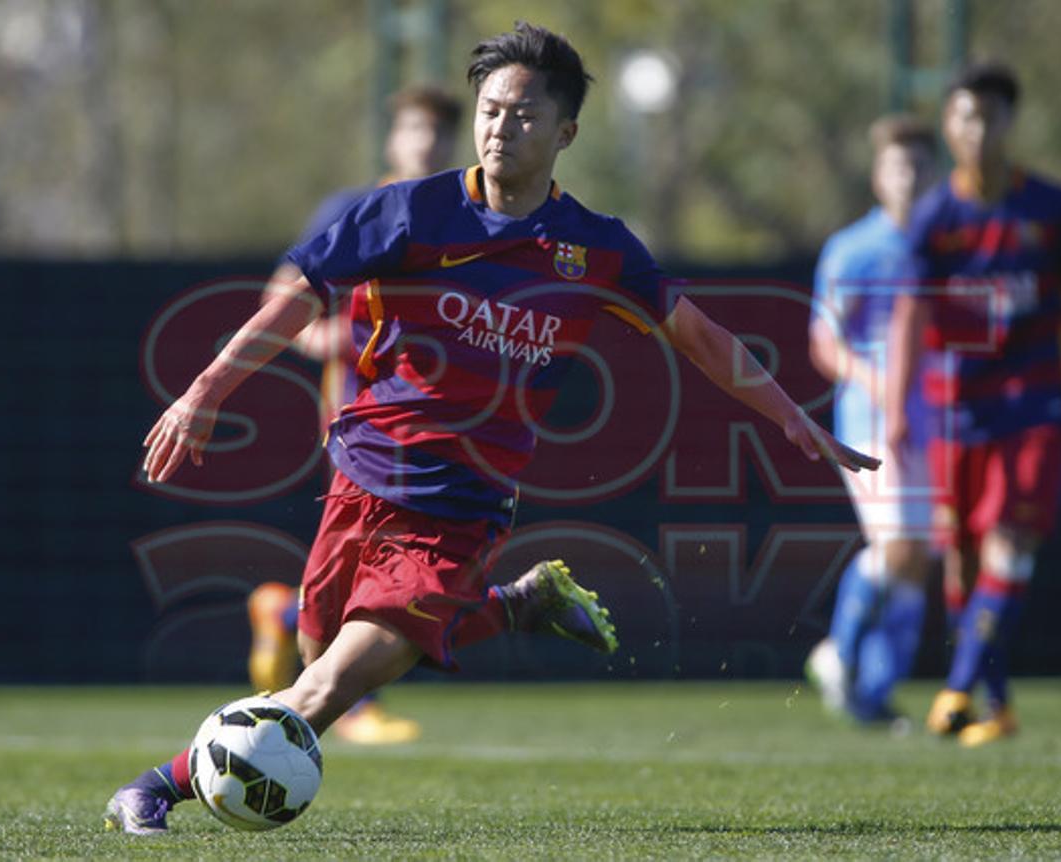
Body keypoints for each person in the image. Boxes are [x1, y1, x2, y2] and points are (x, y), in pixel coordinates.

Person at [105, 22, 878, 835]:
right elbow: (297, 298)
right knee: (317, 664)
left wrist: (790, 416)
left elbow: (701, 337)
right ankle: (515, 605)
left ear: (565, 133)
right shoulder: (410, 212)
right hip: (362, 474)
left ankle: (156, 787)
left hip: (463, 506)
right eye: (490, 110)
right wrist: (206, 389)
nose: (501, 127)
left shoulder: (597, 248)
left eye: (524, 114)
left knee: (327, 690)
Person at [887, 63, 1061, 746]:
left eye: (989, 117)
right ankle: (997, 706)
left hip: (1033, 405)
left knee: (1010, 543)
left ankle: (958, 686)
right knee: (962, 561)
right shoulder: (937, 215)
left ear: (1009, 124)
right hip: (955, 410)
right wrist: (898, 405)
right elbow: (910, 313)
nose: (977, 130)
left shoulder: (1050, 208)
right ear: (949, 126)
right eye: (965, 116)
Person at [247, 84, 463, 746]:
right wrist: (328, 337)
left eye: (438, 132)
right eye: (414, 128)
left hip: (432, 417)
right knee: (380, 562)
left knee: (388, 564)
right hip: (360, 415)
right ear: (393, 138)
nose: (426, 142)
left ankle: (284, 615)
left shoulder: (463, 218)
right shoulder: (357, 208)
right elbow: (281, 293)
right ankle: (356, 704)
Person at [804, 115, 937, 725]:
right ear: (879, 176)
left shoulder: (948, 246)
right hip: (873, 421)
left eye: (919, 166)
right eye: (897, 166)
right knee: (896, 544)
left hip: (940, 422)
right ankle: (841, 653)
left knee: (916, 558)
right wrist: (877, 381)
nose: (908, 177)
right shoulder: (853, 248)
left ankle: (875, 692)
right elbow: (824, 342)